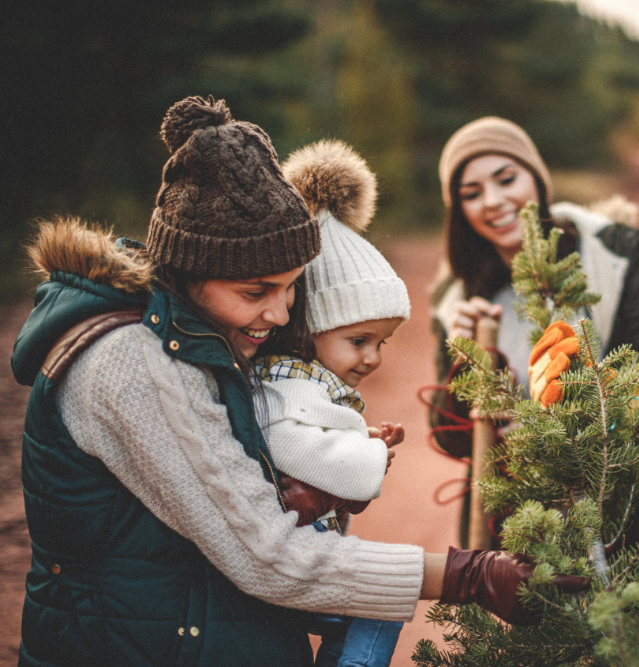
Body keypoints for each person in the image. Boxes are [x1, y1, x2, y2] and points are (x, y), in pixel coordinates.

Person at [12, 96, 587, 667]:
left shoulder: (204, 340)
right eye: (256, 291)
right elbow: (268, 555)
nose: (283, 315)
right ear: (189, 272)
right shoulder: (132, 362)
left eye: (292, 288)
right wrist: (468, 575)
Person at [429, 116, 639, 548]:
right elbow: (449, 437)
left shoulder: (613, 253)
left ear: (538, 179)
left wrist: (562, 425)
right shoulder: (458, 295)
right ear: (460, 211)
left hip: (623, 504)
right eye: (471, 194)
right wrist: (464, 364)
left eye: (506, 179)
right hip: (521, 519)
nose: (492, 201)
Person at [254, 138, 411, 667]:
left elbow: (311, 443)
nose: (373, 358)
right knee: (381, 599)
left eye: (381, 343)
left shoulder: (311, 382)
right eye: (359, 340)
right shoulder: (287, 380)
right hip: (286, 566)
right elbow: (287, 443)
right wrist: (366, 459)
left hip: (302, 559)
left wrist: (359, 440)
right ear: (310, 328)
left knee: (377, 601)